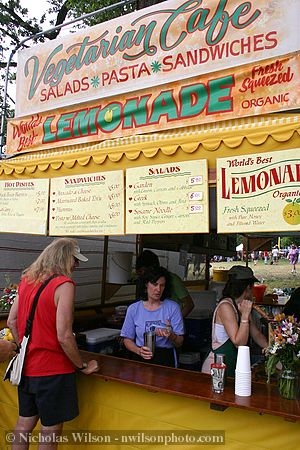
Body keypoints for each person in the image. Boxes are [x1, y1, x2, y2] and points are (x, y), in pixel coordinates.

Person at [7, 238, 99, 450]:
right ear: (65, 258)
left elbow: (12, 320)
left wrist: (27, 345)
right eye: (75, 260)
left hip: (28, 368)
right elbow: (64, 335)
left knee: (24, 424)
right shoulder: (64, 285)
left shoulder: (27, 280)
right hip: (53, 371)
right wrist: (81, 365)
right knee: (49, 431)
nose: (77, 265)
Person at [201, 265, 268, 377]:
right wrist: (245, 317)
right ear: (247, 288)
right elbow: (239, 342)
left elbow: (256, 334)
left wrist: (271, 349)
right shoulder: (226, 306)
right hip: (217, 368)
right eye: (253, 287)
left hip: (232, 364)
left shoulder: (241, 306)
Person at [120, 265, 184, 367]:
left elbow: (180, 342)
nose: (158, 289)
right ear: (146, 284)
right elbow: (127, 339)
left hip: (165, 358)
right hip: (141, 356)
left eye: (162, 285)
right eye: (154, 284)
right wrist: (138, 350)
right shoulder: (133, 309)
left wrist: (171, 335)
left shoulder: (173, 307)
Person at [135, 250, 194, 317]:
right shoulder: (144, 282)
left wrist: (175, 322)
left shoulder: (172, 279)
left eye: (142, 271)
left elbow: (189, 304)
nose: (141, 275)